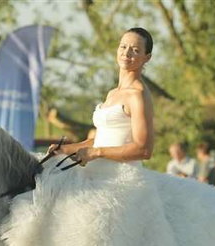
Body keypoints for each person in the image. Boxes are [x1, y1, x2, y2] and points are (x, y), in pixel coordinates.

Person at [48, 27, 154, 167]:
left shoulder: (137, 95)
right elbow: (101, 140)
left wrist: (97, 153)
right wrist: (64, 149)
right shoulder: (112, 93)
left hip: (121, 179)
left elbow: (144, 150)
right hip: (96, 173)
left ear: (147, 57)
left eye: (135, 50)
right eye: (123, 46)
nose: (126, 53)